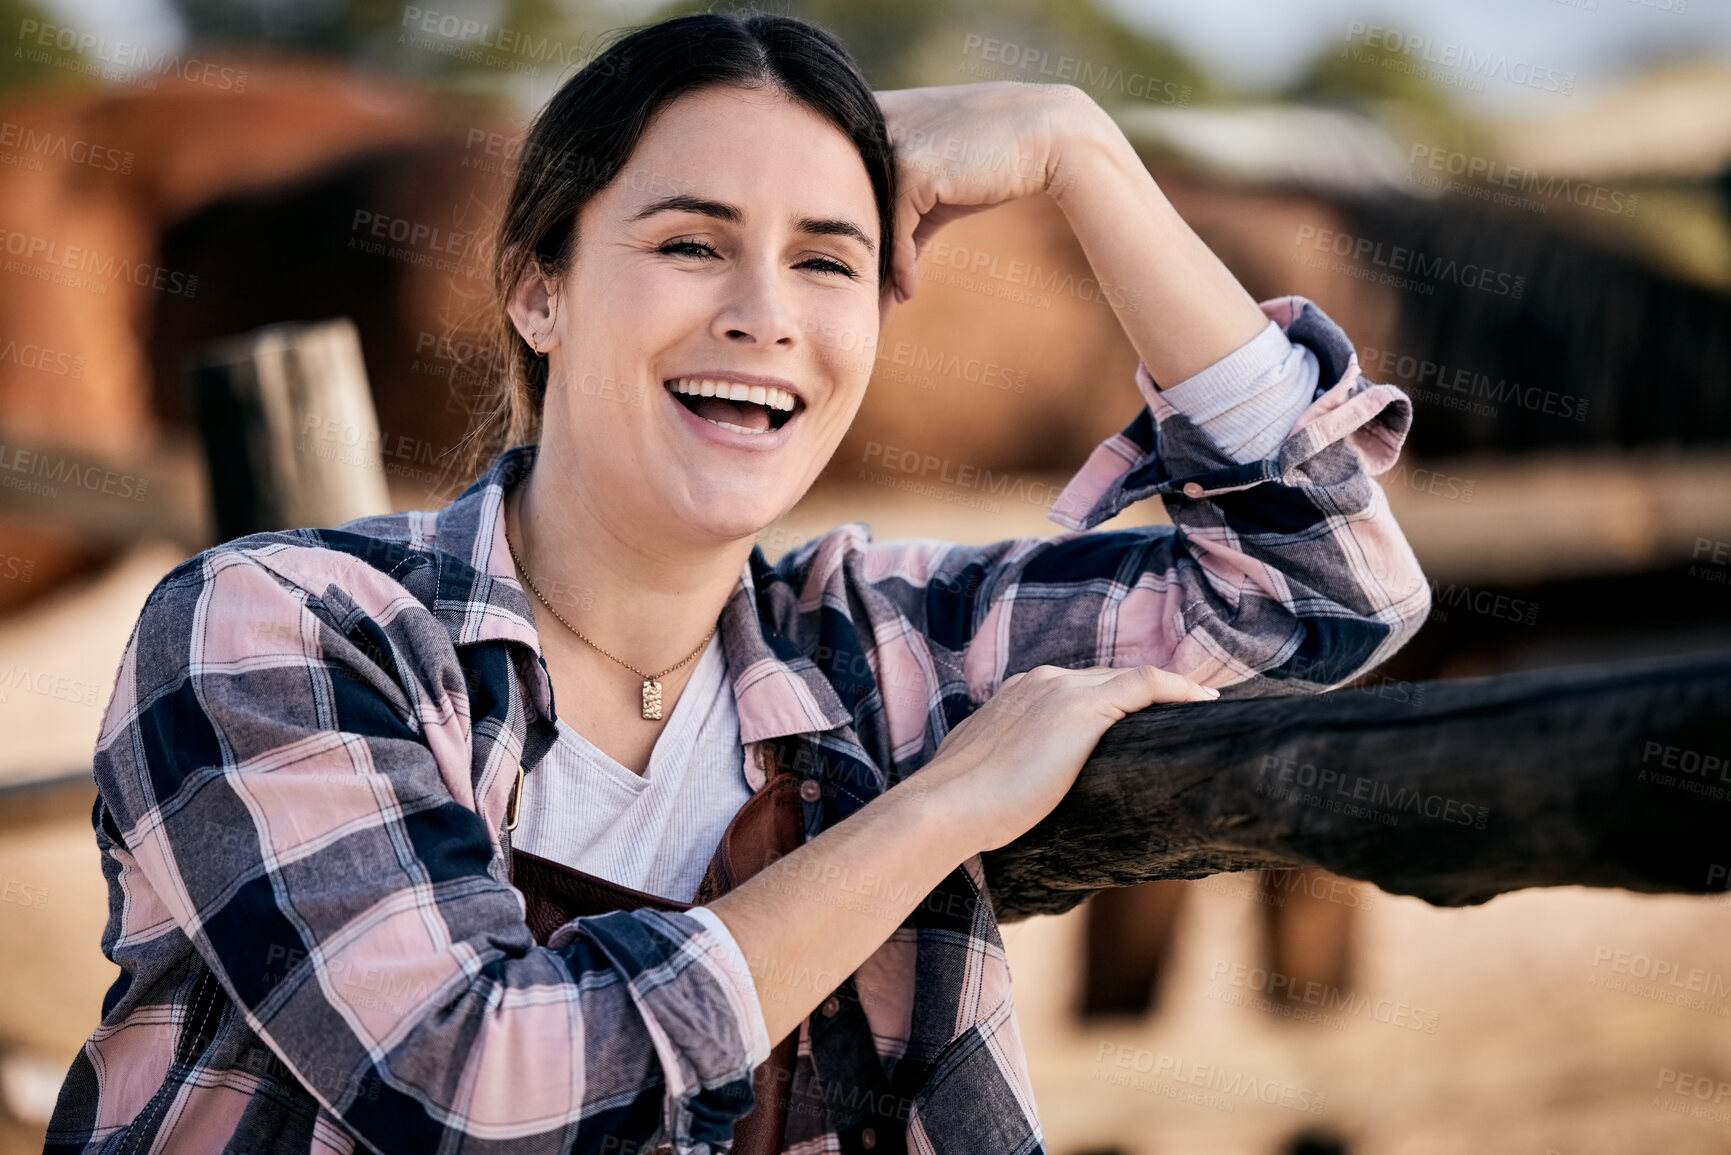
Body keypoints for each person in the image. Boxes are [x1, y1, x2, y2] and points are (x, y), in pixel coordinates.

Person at [44, 9, 1430, 1154]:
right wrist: (942, 809)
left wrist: (1083, 153)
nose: (763, 312)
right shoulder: (274, 627)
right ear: (539, 290)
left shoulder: (875, 646)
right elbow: (475, 1096)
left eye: (827, 260)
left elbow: (1331, 582)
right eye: (690, 243)